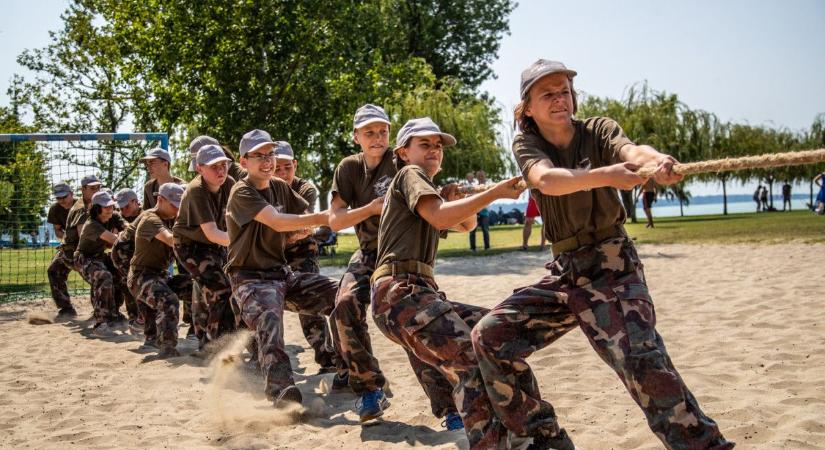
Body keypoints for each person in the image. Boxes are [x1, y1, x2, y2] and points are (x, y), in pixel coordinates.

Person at [470, 60, 734, 450]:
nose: (561, 99)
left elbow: (632, 150)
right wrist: (608, 175)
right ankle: (544, 438)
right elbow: (544, 179)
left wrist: (656, 162)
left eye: (565, 91)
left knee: (641, 363)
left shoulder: (598, 130)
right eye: (549, 94)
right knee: (490, 337)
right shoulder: (527, 143)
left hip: (613, 266)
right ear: (527, 107)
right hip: (565, 273)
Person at [370, 117, 525, 448]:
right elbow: (441, 216)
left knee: (493, 334)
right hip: (400, 292)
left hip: (413, 293)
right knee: (469, 360)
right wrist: (495, 192)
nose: (434, 150)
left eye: (438, 146)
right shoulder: (410, 175)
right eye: (424, 144)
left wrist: (453, 197)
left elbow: (465, 224)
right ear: (402, 152)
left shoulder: (424, 189)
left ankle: (517, 429)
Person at [329, 104, 459, 426]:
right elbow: (335, 220)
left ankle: (449, 407)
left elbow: (426, 177)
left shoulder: (400, 160)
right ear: (356, 136)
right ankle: (369, 387)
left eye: (383, 131)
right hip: (368, 254)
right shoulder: (348, 169)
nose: (377, 138)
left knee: (409, 320)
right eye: (369, 132)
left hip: (399, 256)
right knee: (344, 304)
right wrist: (372, 208)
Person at [225, 129, 338, 407]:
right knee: (270, 318)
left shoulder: (280, 187)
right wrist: (324, 218)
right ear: (243, 162)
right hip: (249, 279)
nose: (267, 161)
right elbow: (277, 221)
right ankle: (280, 389)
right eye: (259, 156)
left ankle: (351, 370)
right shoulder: (242, 192)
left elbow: (300, 220)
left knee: (344, 296)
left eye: (270, 154)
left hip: (282, 273)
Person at [273, 140, 339, 374]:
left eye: (287, 167)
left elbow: (301, 224)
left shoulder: (304, 189)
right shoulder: (261, 188)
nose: (282, 173)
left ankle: (327, 358)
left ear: (296, 165)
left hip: (301, 253)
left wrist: (274, 231)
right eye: (277, 168)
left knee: (310, 304)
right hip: (271, 254)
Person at [173, 143, 238, 351]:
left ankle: (202, 337)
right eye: (214, 166)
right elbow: (211, 232)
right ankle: (217, 347)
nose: (220, 170)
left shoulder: (229, 183)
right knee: (221, 289)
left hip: (214, 242)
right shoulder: (196, 191)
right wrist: (242, 241)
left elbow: (237, 219)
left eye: (223, 165)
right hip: (190, 246)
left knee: (208, 287)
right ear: (200, 168)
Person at [128, 183, 189, 358]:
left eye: (180, 206)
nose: (177, 210)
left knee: (197, 287)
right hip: (141, 276)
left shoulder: (174, 217)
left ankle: (201, 336)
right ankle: (167, 347)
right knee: (168, 300)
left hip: (161, 276)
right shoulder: (149, 219)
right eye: (174, 205)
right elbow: (171, 240)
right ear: (160, 200)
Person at [47, 175, 101, 317]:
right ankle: (66, 308)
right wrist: (66, 239)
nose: (61, 200)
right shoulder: (55, 209)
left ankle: (100, 310)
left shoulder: (84, 206)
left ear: (71, 193)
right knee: (53, 270)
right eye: (58, 198)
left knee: (95, 275)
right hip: (69, 247)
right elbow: (58, 230)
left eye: (64, 196)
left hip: (85, 248)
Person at [75, 190, 127, 334]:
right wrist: (122, 234)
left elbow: (128, 228)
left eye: (111, 206)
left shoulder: (114, 216)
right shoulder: (91, 224)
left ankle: (114, 313)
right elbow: (116, 240)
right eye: (106, 206)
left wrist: (126, 231)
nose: (110, 209)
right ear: (97, 208)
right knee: (103, 276)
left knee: (120, 274)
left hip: (99, 256)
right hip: (84, 258)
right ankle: (101, 322)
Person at [469, 170, 491, 252]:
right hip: (475, 212)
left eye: (482, 176)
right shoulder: (474, 186)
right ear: (477, 177)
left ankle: (487, 247)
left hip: (484, 212)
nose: (480, 178)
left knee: (485, 230)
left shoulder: (489, 186)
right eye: (479, 176)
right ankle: (473, 248)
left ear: (485, 176)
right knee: (472, 230)